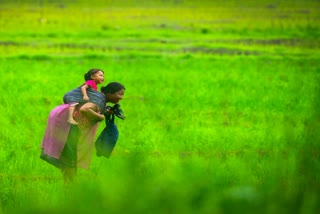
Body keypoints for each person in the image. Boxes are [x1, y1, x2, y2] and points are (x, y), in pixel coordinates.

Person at [41, 82, 125, 183]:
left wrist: (104, 110)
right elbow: (85, 109)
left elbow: (89, 106)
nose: (121, 97)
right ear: (110, 93)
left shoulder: (100, 98)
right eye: (119, 94)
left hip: (65, 120)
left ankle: (69, 183)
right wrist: (100, 117)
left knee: (70, 153)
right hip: (67, 123)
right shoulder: (99, 100)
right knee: (69, 155)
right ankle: (71, 184)